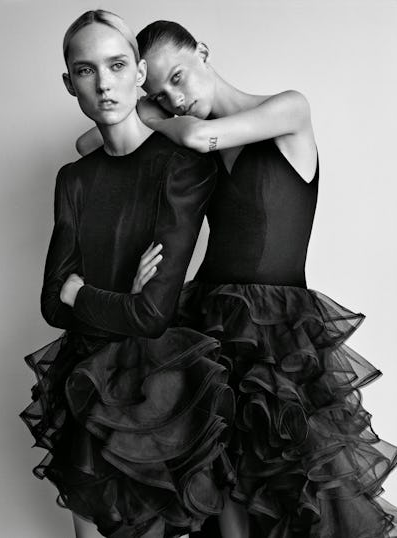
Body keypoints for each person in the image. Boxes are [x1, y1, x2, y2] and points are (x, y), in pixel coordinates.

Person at [77, 19, 397, 538]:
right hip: (205, 326)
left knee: (285, 489)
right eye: (159, 93)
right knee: (220, 489)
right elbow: (88, 142)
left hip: (277, 332)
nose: (174, 99)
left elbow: (202, 135)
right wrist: (148, 98)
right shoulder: (184, 136)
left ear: (203, 50)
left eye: (178, 77)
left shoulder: (288, 109)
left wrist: (155, 116)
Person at [19, 12, 235, 538]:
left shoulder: (179, 166)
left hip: (156, 391)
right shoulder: (73, 178)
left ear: (139, 73)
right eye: (86, 70)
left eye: (116, 65)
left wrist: (81, 292)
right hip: (85, 383)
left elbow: (152, 313)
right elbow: (50, 303)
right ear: (70, 84)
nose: (104, 82)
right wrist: (104, 297)